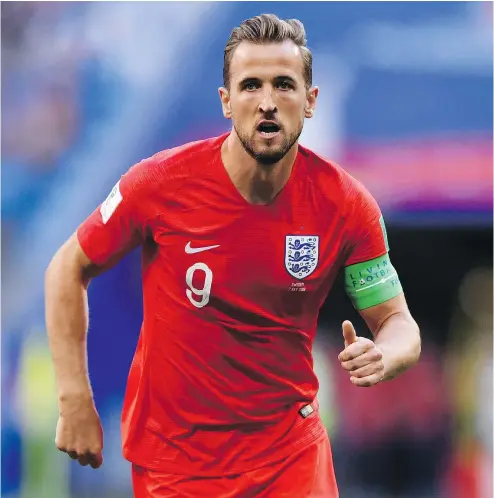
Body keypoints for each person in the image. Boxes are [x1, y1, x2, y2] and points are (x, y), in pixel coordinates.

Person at [45, 13, 421, 498]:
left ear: (310, 102)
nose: (267, 102)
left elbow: (399, 323)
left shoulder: (345, 205)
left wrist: (385, 353)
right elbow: (66, 268)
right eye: (250, 86)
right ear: (227, 101)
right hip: (176, 465)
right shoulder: (159, 184)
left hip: (290, 458)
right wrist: (74, 399)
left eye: (284, 85)